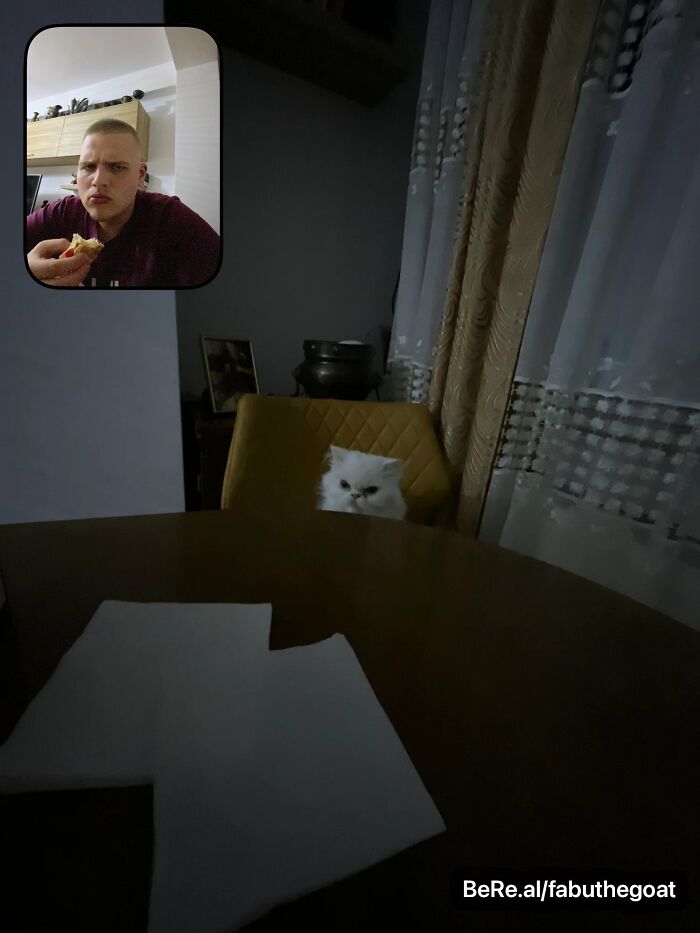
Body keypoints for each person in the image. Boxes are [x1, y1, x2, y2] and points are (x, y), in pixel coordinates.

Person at [26, 119, 220, 288]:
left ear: (140, 175)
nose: (98, 180)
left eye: (117, 167)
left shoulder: (171, 220)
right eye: (88, 166)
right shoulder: (61, 212)